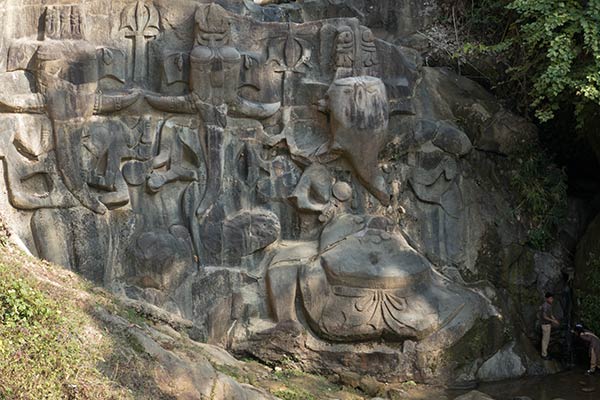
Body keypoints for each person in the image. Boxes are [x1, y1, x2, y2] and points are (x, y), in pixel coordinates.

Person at [540, 292, 560, 360]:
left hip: (548, 324)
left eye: (552, 298)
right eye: (551, 298)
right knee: (545, 340)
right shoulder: (545, 305)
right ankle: (544, 354)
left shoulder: (549, 305)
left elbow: (551, 314)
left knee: (547, 340)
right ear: (547, 298)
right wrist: (553, 320)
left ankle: (545, 353)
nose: (552, 300)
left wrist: (555, 319)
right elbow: (544, 316)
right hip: (545, 325)